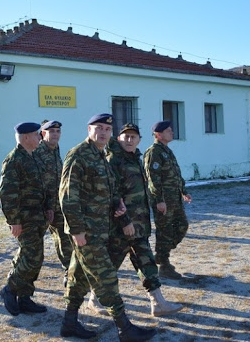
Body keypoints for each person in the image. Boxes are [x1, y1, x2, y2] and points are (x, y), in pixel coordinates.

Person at [59, 113, 156, 341]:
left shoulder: (101, 156)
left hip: (100, 229)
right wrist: (77, 230)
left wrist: (118, 205)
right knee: (106, 279)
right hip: (87, 231)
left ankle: (69, 323)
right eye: (98, 128)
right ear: (89, 129)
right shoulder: (79, 155)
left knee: (79, 277)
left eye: (107, 129)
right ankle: (125, 328)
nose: (103, 132)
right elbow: (67, 196)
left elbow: (109, 190)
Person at [87, 123, 182, 317]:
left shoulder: (135, 159)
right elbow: (113, 195)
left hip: (138, 226)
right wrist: (124, 222)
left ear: (139, 140)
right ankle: (93, 299)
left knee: (146, 263)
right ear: (119, 139)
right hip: (122, 226)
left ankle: (158, 302)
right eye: (126, 137)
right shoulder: (114, 161)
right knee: (111, 264)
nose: (130, 140)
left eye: (133, 137)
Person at [0, 122, 53, 316]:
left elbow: (41, 186)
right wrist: (14, 221)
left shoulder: (32, 157)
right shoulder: (14, 160)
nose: (40, 138)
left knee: (33, 257)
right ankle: (10, 290)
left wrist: (48, 207)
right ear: (26, 138)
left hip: (37, 217)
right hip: (24, 218)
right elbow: (7, 194)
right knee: (31, 256)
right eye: (37, 135)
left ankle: (25, 297)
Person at [143, 120, 193, 280]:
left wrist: (183, 191)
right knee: (164, 232)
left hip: (174, 199)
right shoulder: (154, 152)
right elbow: (153, 179)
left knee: (181, 226)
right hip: (163, 200)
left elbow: (175, 174)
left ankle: (161, 255)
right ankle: (164, 265)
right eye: (168, 131)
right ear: (158, 134)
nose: (172, 133)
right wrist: (159, 200)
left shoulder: (166, 151)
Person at [33, 120, 73, 285]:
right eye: (52, 131)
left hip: (57, 204)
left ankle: (69, 272)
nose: (55, 134)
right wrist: (46, 206)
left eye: (58, 131)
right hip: (41, 206)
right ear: (43, 134)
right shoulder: (38, 152)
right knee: (33, 245)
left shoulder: (55, 149)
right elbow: (38, 182)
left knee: (64, 238)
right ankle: (21, 279)